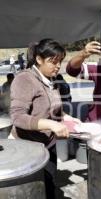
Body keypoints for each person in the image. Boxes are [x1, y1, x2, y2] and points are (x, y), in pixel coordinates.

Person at [10, 38, 80, 199]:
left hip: (48, 145)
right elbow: (18, 117)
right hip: (28, 149)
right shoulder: (24, 79)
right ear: (38, 59)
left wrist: (69, 119)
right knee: (33, 191)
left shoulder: (51, 80)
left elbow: (55, 110)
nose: (57, 66)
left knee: (49, 185)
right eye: (52, 61)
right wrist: (50, 124)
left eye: (60, 61)